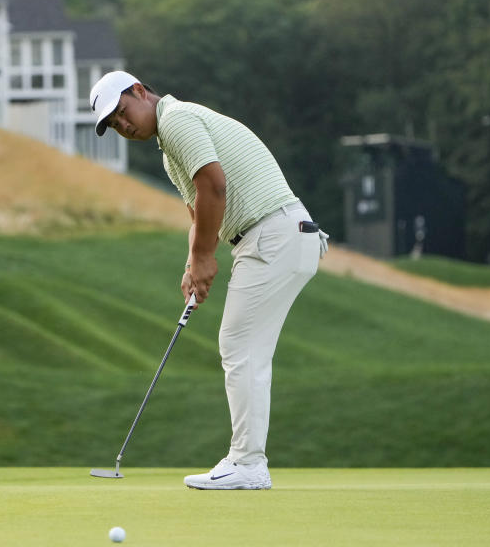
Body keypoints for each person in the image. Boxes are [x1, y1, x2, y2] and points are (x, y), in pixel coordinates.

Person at [90, 70, 328, 490]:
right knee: (245, 347)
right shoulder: (169, 149)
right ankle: (248, 461)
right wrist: (193, 264)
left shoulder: (177, 119)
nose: (123, 126)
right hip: (274, 236)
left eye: (123, 112)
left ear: (140, 91)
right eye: (114, 125)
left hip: (272, 233)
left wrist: (204, 257)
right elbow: (199, 208)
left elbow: (212, 184)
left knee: (239, 346)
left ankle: (248, 464)